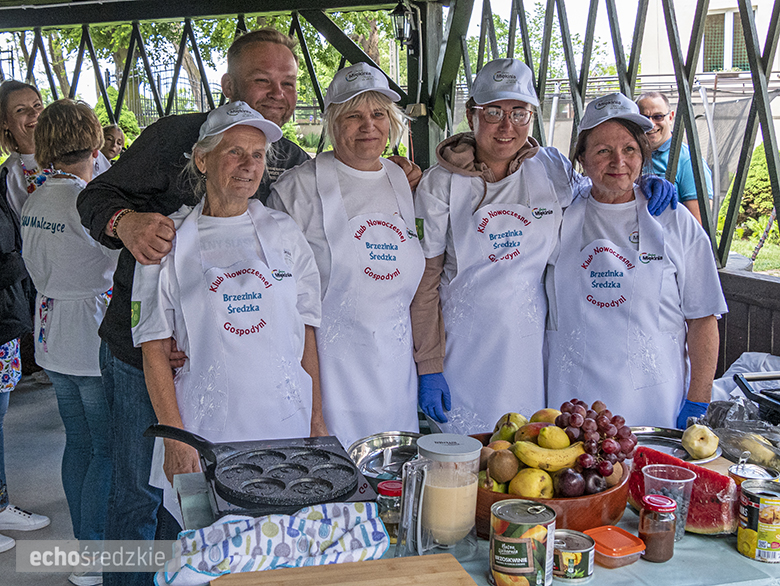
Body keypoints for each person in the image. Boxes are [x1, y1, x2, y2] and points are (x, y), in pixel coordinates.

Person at [76, 29, 313, 583]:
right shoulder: (175, 136)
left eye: (289, 83)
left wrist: (413, 170)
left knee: (218, 503)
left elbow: (345, 173)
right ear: (227, 84)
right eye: (263, 81)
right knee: (138, 492)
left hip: (225, 366)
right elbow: (94, 196)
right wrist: (126, 223)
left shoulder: (287, 154)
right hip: (146, 355)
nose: (279, 93)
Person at [411, 60, 676, 430]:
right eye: (494, 112)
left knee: (529, 461)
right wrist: (430, 365)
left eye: (519, 112)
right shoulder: (441, 184)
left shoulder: (550, 167)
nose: (507, 126)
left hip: (531, 355)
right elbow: (424, 284)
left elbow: (597, 192)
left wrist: (642, 187)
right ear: (471, 115)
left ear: (532, 116)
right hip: (463, 352)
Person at [132, 101, 324, 527]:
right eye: (235, 152)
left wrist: (316, 418)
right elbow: (154, 350)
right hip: (205, 431)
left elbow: (306, 328)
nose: (248, 165)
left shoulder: (284, 232)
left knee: (280, 543)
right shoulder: (168, 241)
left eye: (257, 155)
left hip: (284, 423)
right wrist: (175, 440)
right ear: (203, 159)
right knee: (213, 548)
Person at [545, 93, 727, 429]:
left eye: (629, 149)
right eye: (602, 151)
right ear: (582, 158)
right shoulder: (558, 215)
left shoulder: (673, 219)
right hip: (570, 407)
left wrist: (698, 399)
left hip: (655, 404)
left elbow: (703, 317)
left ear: (644, 154)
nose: (618, 162)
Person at [267, 63, 423, 450]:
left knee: (393, 482)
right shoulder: (295, 190)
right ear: (332, 123)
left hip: (395, 376)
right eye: (353, 116)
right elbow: (282, 301)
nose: (367, 126)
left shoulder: (403, 179)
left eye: (378, 114)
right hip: (329, 379)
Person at [20, 99, 116, 586]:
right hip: (87, 328)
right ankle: (95, 552)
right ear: (95, 141)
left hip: (50, 327)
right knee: (104, 448)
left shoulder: (36, 197)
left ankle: (84, 544)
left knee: (78, 442)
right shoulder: (87, 200)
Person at [0, 80, 51, 556]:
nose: (33, 116)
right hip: (20, 298)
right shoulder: (8, 177)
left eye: (37, 106)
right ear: (6, 127)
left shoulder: (80, 160)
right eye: (21, 111)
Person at [636, 91, 714, 225]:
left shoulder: (687, 160)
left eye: (658, 117)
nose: (650, 124)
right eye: (643, 118)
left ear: (671, 117)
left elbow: (698, 224)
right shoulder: (629, 155)